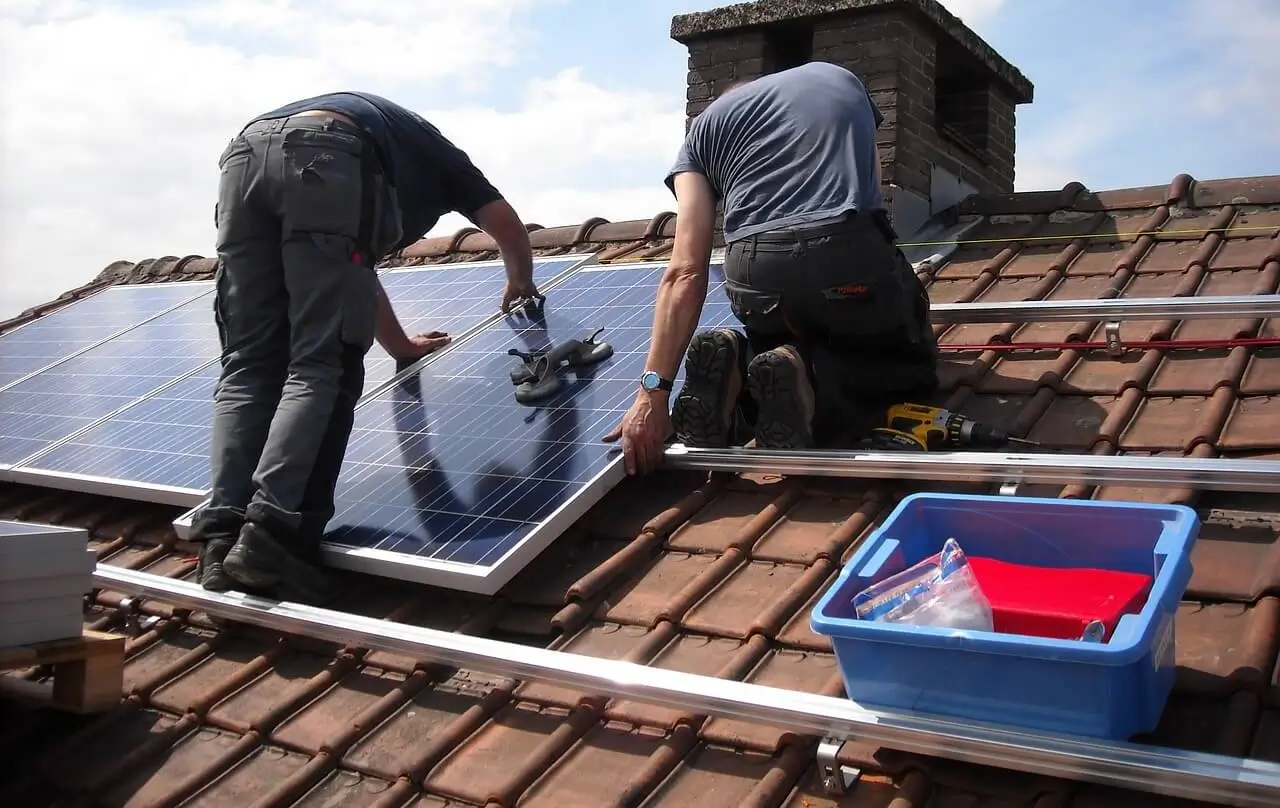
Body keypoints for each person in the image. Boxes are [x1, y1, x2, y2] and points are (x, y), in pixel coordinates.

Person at [189, 91, 542, 601]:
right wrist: (520, 282)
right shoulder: (444, 162)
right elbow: (507, 226)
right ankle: (273, 537)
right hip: (326, 153)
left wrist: (399, 345)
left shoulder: (395, 148)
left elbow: (352, 273)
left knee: (248, 365)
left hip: (244, 157)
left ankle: (221, 542)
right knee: (321, 365)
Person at [605, 61, 938, 476]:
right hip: (844, 247)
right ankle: (812, 381)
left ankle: (741, 362)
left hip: (754, 271)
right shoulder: (839, 78)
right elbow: (872, 201)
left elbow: (685, 269)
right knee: (909, 364)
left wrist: (652, 392)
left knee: (780, 333)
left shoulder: (701, 133)